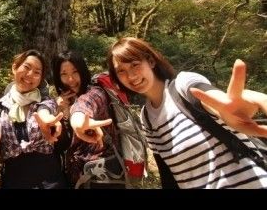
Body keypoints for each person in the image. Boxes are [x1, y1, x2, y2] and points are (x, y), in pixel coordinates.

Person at [107, 36, 267, 189]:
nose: (131, 75)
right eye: (121, 71)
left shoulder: (183, 85)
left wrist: (232, 109)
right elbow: (168, 175)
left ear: (151, 61)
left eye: (135, 64)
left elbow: (214, 99)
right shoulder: (146, 117)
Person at [0, 49, 67, 188]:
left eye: (37, 72)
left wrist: (50, 125)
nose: (30, 75)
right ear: (15, 67)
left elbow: (45, 113)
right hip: (14, 181)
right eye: (26, 67)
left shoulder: (46, 103)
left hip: (50, 182)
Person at [52, 50, 121, 189]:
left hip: (101, 178)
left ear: (83, 71)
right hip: (79, 177)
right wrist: (60, 112)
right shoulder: (66, 101)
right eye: (64, 74)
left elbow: (84, 106)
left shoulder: (95, 93)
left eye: (75, 72)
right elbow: (61, 145)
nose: (70, 79)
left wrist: (77, 121)